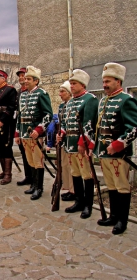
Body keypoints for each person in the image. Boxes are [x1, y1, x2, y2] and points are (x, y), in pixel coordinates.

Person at [94, 62, 137, 235]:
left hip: (119, 154)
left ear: (118, 81)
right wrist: (97, 148)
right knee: (111, 186)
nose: (104, 85)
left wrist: (118, 144)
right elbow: (99, 126)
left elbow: (134, 128)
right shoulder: (104, 100)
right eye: (104, 81)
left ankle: (122, 221)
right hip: (104, 153)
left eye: (108, 81)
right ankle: (113, 216)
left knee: (122, 187)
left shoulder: (126, 100)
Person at [57, 69, 98, 218]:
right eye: (71, 83)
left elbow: (89, 124)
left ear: (82, 84)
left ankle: (88, 205)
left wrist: (83, 143)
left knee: (86, 175)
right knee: (75, 174)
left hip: (82, 145)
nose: (71, 86)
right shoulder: (70, 102)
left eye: (74, 83)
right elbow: (66, 123)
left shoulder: (90, 99)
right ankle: (79, 201)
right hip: (69, 144)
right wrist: (61, 134)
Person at [15, 66, 53, 200]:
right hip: (25, 134)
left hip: (36, 134)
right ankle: (33, 185)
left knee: (38, 161)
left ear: (36, 81)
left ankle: (39, 188)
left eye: (28, 79)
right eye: (25, 78)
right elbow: (19, 115)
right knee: (30, 161)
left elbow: (48, 115)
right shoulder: (23, 94)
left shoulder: (42, 93)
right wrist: (17, 133)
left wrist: (39, 129)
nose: (25, 81)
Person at [0, 69, 18, 185]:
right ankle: (3, 171)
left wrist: (2, 120)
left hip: (6, 123)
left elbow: (12, 107)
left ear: (4, 78)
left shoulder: (10, 90)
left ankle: (8, 174)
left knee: (6, 147)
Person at [57, 81, 75, 202]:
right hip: (62, 140)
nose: (60, 94)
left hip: (71, 140)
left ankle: (74, 191)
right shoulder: (61, 106)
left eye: (62, 91)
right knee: (64, 165)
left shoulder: (73, 104)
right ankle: (69, 189)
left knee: (72, 166)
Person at [15, 67, 33, 186]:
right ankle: (28, 176)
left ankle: (35, 180)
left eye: (24, 76)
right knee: (24, 153)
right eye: (20, 76)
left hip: (31, 129)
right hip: (21, 126)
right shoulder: (19, 92)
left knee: (33, 156)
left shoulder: (36, 92)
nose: (22, 78)